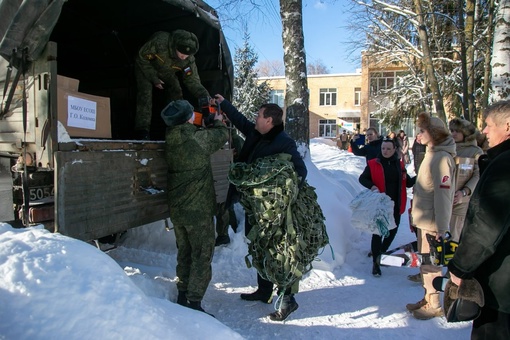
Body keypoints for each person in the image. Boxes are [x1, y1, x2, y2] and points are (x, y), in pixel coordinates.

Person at [213, 94, 307, 321]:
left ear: (269, 121)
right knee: (258, 248)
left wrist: (274, 189)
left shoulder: (284, 142)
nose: (255, 118)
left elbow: (300, 172)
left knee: (278, 252)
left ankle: (288, 300)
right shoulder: (257, 133)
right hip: (254, 207)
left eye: (259, 115)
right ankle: (264, 291)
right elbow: (241, 121)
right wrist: (224, 104)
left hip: (273, 212)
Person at [448, 100, 510, 339]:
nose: (483, 131)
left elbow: (487, 226)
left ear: (507, 126)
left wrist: (460, 267)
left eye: (488, 125)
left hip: (500, 288)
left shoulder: (505, 164)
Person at [161, 99, 228, 316]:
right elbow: (221, 136)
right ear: (187, 118)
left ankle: (183, 293)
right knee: (202, 255)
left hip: (179, 210)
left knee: (185, 253)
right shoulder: (196, 139)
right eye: (192, 113)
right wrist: (218, 121)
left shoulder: (171, 137)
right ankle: (194, 302)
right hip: (198, 211)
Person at [405, 112, 456, 320]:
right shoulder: (431, 153)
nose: (419, 135)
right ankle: (428, 296)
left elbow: (443, 196)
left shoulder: (441, 158)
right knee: (425, 263)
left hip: (433, 224)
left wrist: (442, 228)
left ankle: (434, 303)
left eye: (423, 131)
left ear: (434, 134)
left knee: (432, 265)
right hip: (424, 221)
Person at [135, 30, 211, 140]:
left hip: (167, 72)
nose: (184, 57)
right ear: (175, 46)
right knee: (145, 94)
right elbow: (141, 58)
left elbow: (192, 81)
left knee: (176, 91)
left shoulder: (189, 60)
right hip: (146, 67)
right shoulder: (160, 42)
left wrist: (204, 96)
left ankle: (178, 129)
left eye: (187, 55)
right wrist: (154, 78)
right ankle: (142, 131)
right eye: (182, 53)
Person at [359, 137, 415, 276]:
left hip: (396, 203)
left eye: (388, 149)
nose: (385, 151)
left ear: (394, 150)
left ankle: (380, 253)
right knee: (378, 232)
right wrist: (372, 186)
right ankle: (376, 264)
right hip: (381, 205)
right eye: (383, 148)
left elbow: (407, 182)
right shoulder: (373, 163)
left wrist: (420, 177)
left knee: (392, 231)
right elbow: (362, 178)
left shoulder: (399, 165)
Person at [448, 118, 483, 242]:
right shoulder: (447, 148)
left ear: (466, 133)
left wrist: (464, 191)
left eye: (457, 131)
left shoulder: (476, 151)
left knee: (454, 235)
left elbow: (478, 175)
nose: (453, 134)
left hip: (461, 200)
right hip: (443, 197)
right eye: (451, 130)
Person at [215, 127, 245, 246]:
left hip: (235, 177)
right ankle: (234, 228)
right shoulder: (234, 138)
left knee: (228, 204)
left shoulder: (235, 140)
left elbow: (242, 156)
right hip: (229, 175)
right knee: (228, 204)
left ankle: (234, 228)